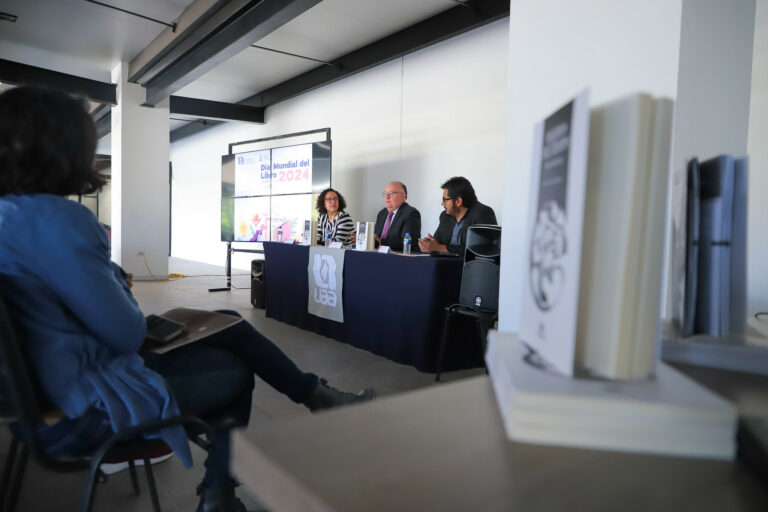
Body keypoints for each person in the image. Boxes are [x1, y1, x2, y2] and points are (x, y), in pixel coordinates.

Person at [0, 86, 375, 512]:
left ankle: (308, 402)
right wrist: (118, 281)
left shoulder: (8, 218)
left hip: (28, 406)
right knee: (236, 368)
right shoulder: (58, 220)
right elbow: (127, 332)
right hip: (80, 409)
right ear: (61, 149)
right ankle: (225, 489)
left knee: (227, 319)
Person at [418, 176, 497, 255]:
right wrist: (428, 245)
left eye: (445, 199)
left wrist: (439, 247)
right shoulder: (445, 216)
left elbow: (479, 250)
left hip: (470, 266)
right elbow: (435, 245)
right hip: (446, 265)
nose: (442, 203)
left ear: (458, 201)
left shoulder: (483, 213)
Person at [371, 181, 421, 251]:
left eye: (391, 193)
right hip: (379, 254)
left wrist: (380, 241)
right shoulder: (382, 213)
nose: (387, 197)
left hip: (399, 257)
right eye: (385, 194)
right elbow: (376, 237)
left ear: (403, 196)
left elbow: (406, 242)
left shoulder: (411, 213)